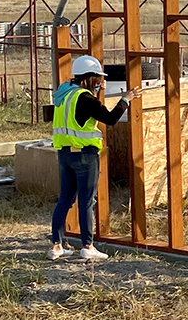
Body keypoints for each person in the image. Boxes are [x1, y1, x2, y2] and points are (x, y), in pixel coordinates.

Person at [49, 55, 140, 261]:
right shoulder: (85, 98)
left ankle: (56, 246)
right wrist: (126, 99)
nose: (100, 82)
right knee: (87, 201)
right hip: (85, 156)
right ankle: (87, 246)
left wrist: (98, 92)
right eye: (98, 78)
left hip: (65, 154)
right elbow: (110, 118)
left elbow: (81, 115)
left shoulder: (64, 94)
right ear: (89, 78)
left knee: (64, 199)